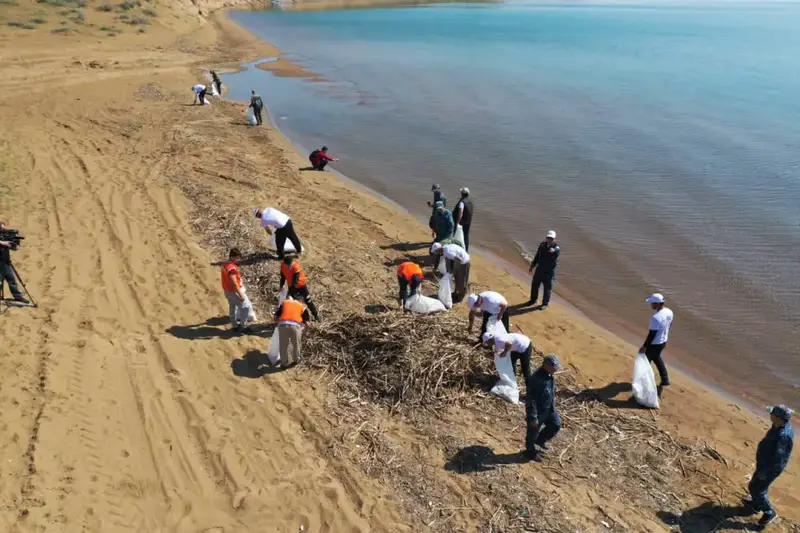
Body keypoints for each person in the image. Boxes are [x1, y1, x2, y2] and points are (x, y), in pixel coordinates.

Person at [742, 405, 794, 528]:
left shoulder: (783, 436)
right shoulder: (777, 425)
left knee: (758, 490)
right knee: (754, 485)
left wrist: (766, 471)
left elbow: (779, 459)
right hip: (764, 464)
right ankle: (756, 505)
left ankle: (769, 512)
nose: (769, 415)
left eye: (772, 414)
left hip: (769, 468)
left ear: (778, 418)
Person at [524, 354, 563, 462]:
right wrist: (533, 417)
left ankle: (540, 440)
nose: (555, 370)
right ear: (546, 365)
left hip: (549, 408)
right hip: (539, 411)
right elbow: (530, 400)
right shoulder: (536, 380)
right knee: (532, 433)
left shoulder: (549, 375)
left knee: (556, 424)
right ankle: (529, 452)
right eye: (553, 368)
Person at [638, 293, 674, 394]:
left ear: (658, 304)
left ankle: (646, 385)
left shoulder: (656, 317)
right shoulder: (669, 312)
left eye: (652, 303)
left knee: (645, 362)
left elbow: (652, 334)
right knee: (657, 358)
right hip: (663, 341)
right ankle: (665, 380)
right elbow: (670, 324)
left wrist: (644, 346)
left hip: (654, 344)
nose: (651, 305)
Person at [220, 248, 253, 332]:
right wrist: (240, 295)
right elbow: (234, 283)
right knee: (245, 307)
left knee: (232, 307)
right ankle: (243, 326)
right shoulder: (232, 269)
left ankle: (234, 325)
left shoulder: (224, 264)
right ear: (234, 257)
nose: (238, 260)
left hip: (226, 290)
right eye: (238, 258)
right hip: (233, 291)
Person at [273, 296, 311, 368]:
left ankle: (284, 363)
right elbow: (307, 324)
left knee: (283, 345)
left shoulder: (285, 303)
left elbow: (275, 317)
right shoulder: (302, 307)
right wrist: (305, 331)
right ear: (301, 301)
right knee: (296, 344)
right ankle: (296, 360)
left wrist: (278, 323)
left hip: (283, 326)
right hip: (295, 327)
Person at [280, 255, 319, 321]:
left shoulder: (296, 268)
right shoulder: (283, 266)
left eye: (290, 265)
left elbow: (295, 282)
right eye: (288, 266)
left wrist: (289, 293)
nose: (289, 267)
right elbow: (283, 276)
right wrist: (281, 285)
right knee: (296, 304)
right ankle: (301, 319)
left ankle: (316, 316)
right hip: (291, 287)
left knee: (308, 301)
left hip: (301, 286)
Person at [527, 230, 560, 310]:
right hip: (540, 269)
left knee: (547, 288)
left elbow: (557, 251)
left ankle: (545, 303)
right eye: (548, 238)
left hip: (549, 272)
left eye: (551, 239)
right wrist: (532, 266)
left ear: (554, 240)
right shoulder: (542, 245)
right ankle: (533, 300)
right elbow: (537, 256)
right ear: (546, 238)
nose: (549, 240)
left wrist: (553, 251)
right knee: (535, 285)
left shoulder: (556, 247)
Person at [0, 222, 28, 304]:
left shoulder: (5, 237)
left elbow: (15, 247)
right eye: (1, 228)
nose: (3, 230)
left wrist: (14, 245)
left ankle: (18, 296)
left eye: (4, 228)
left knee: (11, 279)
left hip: (6, 261)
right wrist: (2, 243)